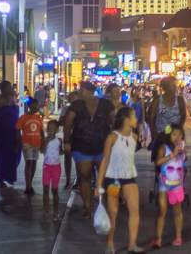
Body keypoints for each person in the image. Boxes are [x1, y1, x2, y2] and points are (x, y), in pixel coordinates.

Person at [64, 80, 117, 219]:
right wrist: (66, 141)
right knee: (84, 178)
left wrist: (115, 138)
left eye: (82, 91)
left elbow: (115, 120)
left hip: (102, 147)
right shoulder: (76, 105)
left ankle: (105, 207)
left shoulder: (105, 104)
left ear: (90, 92)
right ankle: (88, 208)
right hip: (81, 147)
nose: (79, 93)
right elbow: (67, 123)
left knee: (105, 178)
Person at [96, 106, 143, 253]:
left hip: (129, 176)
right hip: (113, 177)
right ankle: (110, 244)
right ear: (127, 119)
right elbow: (105, 160)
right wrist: (99, 184)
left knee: (134, 209)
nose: (136, 119)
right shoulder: (112, 137)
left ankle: (132, 243)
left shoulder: (135, 137)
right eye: (134, 116)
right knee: (113, 211)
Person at [151, 124, 186, 248]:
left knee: (177, 210)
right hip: (164, 183)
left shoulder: (182, 148)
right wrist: (172, 154)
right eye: (174, 134)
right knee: (162, 210)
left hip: (177, 183)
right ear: (169, 135)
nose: (177, 136)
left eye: (180, 134)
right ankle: (158, 239)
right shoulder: (163, 148)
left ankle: (178, 237)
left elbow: (182, 163)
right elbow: (158, 162)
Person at [148, 77, 187, 154]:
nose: (175, 87)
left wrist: (178, 130)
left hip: (175, 137)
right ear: (165, 87)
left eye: (175, 85)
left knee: (176, 161)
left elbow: (183, 116)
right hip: (160, 135)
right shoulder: (157, 100)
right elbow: (150, 117)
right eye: (172, 85)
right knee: (160, 160)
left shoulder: (179, 100)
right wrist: (153, 132)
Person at [15, 99, 44, 195]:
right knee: (29, 163)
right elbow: (17, 130)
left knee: (34, 163)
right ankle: (28, 185)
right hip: (27, 143)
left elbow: (41, 129)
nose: (38, 107)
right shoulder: (23, 118)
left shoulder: (38, 117)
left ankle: (30, 183)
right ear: (31, 106)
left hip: (36, 143)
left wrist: (43, 140)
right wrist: (18, 143)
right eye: (36, 105)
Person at [40, 119, 63, 222]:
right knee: (45, 190)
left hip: (56, 167)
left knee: (55, 190)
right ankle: (46, 212)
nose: (50, 130)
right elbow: (41, 150)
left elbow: (61, 152)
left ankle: (56, 212)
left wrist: (67, 149)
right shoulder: (44, 139)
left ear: (57, 129)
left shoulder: (59, 141)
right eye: (49, 128)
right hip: (47, 167)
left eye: (53, 128)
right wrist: (47, 140)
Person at [59, 91, 79, 189]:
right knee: (68, 158)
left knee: (79, 159)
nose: (70, 99)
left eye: (72, 97)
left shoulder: (82, 110)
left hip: (78, 137)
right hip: (68, 136)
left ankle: (78, 180)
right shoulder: (65, 109)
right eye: (69, 97)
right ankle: (68, 180)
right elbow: (60, 122)